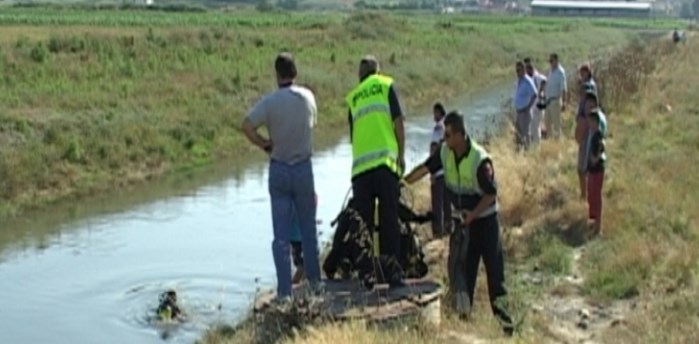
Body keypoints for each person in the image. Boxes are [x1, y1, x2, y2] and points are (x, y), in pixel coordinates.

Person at [402, 111, 514, 336]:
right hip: (466, 227)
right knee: (463, 275)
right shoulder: (445, 152)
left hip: (486, 225)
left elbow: (491, 195)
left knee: (495, 277)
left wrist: (471, 216)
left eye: (449, 133)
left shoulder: (479, 160)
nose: (445, 138)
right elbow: (424, 169)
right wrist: (401, 182)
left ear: (461, 135)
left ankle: (507, 329)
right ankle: (464, 327)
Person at [241, 52, 322, 300]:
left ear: (277, 75)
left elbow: (247, 125)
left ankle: (284, 292)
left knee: (281, 237)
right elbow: (312, 124)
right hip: (303, 168)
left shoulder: (270, 101)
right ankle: (315, 284)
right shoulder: (308, 97)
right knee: (308, 230)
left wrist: (265, 144)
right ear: (295, 73)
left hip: (279, 168)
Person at [346, 55, 406, 288]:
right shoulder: (386, 85)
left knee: (363, 224)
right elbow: (399, 122)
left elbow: (353, 137)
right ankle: (392, 274)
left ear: (359, 77)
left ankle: (366, 275)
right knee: (389, 219)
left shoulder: (353, 98)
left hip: (361, 169)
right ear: (378, 72)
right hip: (384, 165)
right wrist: (401, 155)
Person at [429, 102, 451, 238]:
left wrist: (431, 171)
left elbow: (434, 149)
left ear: (438, 112)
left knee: (437, 204)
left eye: (434, 113)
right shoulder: (448, 127)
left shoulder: (438, 129)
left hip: (438, 171)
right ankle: (448, 229)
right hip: (447, 171)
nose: (433, 116)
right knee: (447, 202)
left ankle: (437, 232)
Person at [576, 65, 597, 199]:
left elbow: (588, 113)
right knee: (582, 168)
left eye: (584, 72)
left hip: (586, 132)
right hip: (584, 130)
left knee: (583, 168)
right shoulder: (587, 86)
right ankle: (585, 194)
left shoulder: (589, 88)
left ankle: (586, 195)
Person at [290, 193, 318, 284]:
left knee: (300, 264)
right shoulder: (312, 195)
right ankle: (305, 282)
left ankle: (293, 284)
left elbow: (289, 216)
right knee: (305, 261)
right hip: (307, 235)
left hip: (295, 237)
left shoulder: (293, 199)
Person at [586, 110, 606, 235]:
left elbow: (601, 148)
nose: (589, 123)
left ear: (595, 122)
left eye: (591, 121)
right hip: (592, 169)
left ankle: (598, 225)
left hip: (597, 170)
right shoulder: (592, 134)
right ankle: (593, 221)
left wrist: (594, 159)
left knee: (596, 196)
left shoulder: (598, 135)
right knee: (591, 195)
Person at [513, 61, 538, 150]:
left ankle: (529, 153)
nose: (517, 72)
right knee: (518, 134)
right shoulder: (519, 81)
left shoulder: (528, 81)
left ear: (523, 70)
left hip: (525, 112)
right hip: (519, 112)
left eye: (519, 70)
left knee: (525, 134)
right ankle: (520, 152)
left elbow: (535, 94)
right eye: (516, 70)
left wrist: (528, 107)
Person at [524, 58, 547, 145]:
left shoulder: (536, 76)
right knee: (532, 128)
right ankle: (534, 145)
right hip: (531, 107)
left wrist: (541, 91)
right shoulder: (527, 78)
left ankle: (537, 147)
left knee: (536, 127)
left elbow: (544, 80)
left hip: (538, 106)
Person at [544, 53, 567, 139]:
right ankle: (550, 140)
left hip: (555, 101)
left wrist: (564, 102)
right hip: (548, 101)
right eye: (549, 61)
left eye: (552, 61)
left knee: (556, 124)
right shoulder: (550, 71)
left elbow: (564, 88)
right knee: (547, 122)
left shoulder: (560, 72)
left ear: (556, 61)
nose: (550, 63)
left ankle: (558, 142)